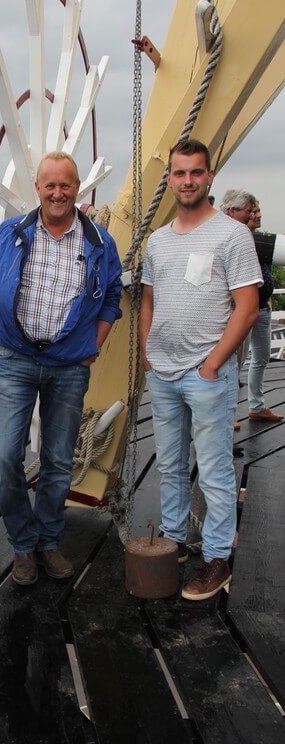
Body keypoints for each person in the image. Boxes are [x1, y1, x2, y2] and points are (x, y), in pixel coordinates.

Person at [0, 152, 122, 586]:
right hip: (16, 360)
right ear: (39, 188)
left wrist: (92, 347)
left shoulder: (98, 242)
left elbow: (112, 296)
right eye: (50, 185)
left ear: (76, 188)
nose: (57, 193)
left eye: (66, 185)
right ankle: (23, 544)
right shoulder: (13, 233)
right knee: (5, 456)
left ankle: (47, 541)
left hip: (69, 366)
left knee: (59, 460)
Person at [139, 139, 261, 601]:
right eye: (179, 173)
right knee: (170, 465)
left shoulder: (232, 236)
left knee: (212, 470)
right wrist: (149, 354)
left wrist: (212, 365)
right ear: (169, 179)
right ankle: (174, 540)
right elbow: (149, 298)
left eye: (195, 173)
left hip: (205, 374)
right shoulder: (158, 240)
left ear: (210, 177)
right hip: (164, 373)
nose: (187, 181)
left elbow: (247, 308)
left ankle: (216, 559)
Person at [221, 192, 283, 423]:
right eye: (250, 211)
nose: (256, 215)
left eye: (255, 211)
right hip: (240, 311)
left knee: (261, 357)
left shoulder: (258, 240)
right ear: (233, 213)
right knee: (233, 362)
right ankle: (229, 413)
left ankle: (256, 406)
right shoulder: (237, 240)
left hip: (261, 309)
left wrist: (265, 297)